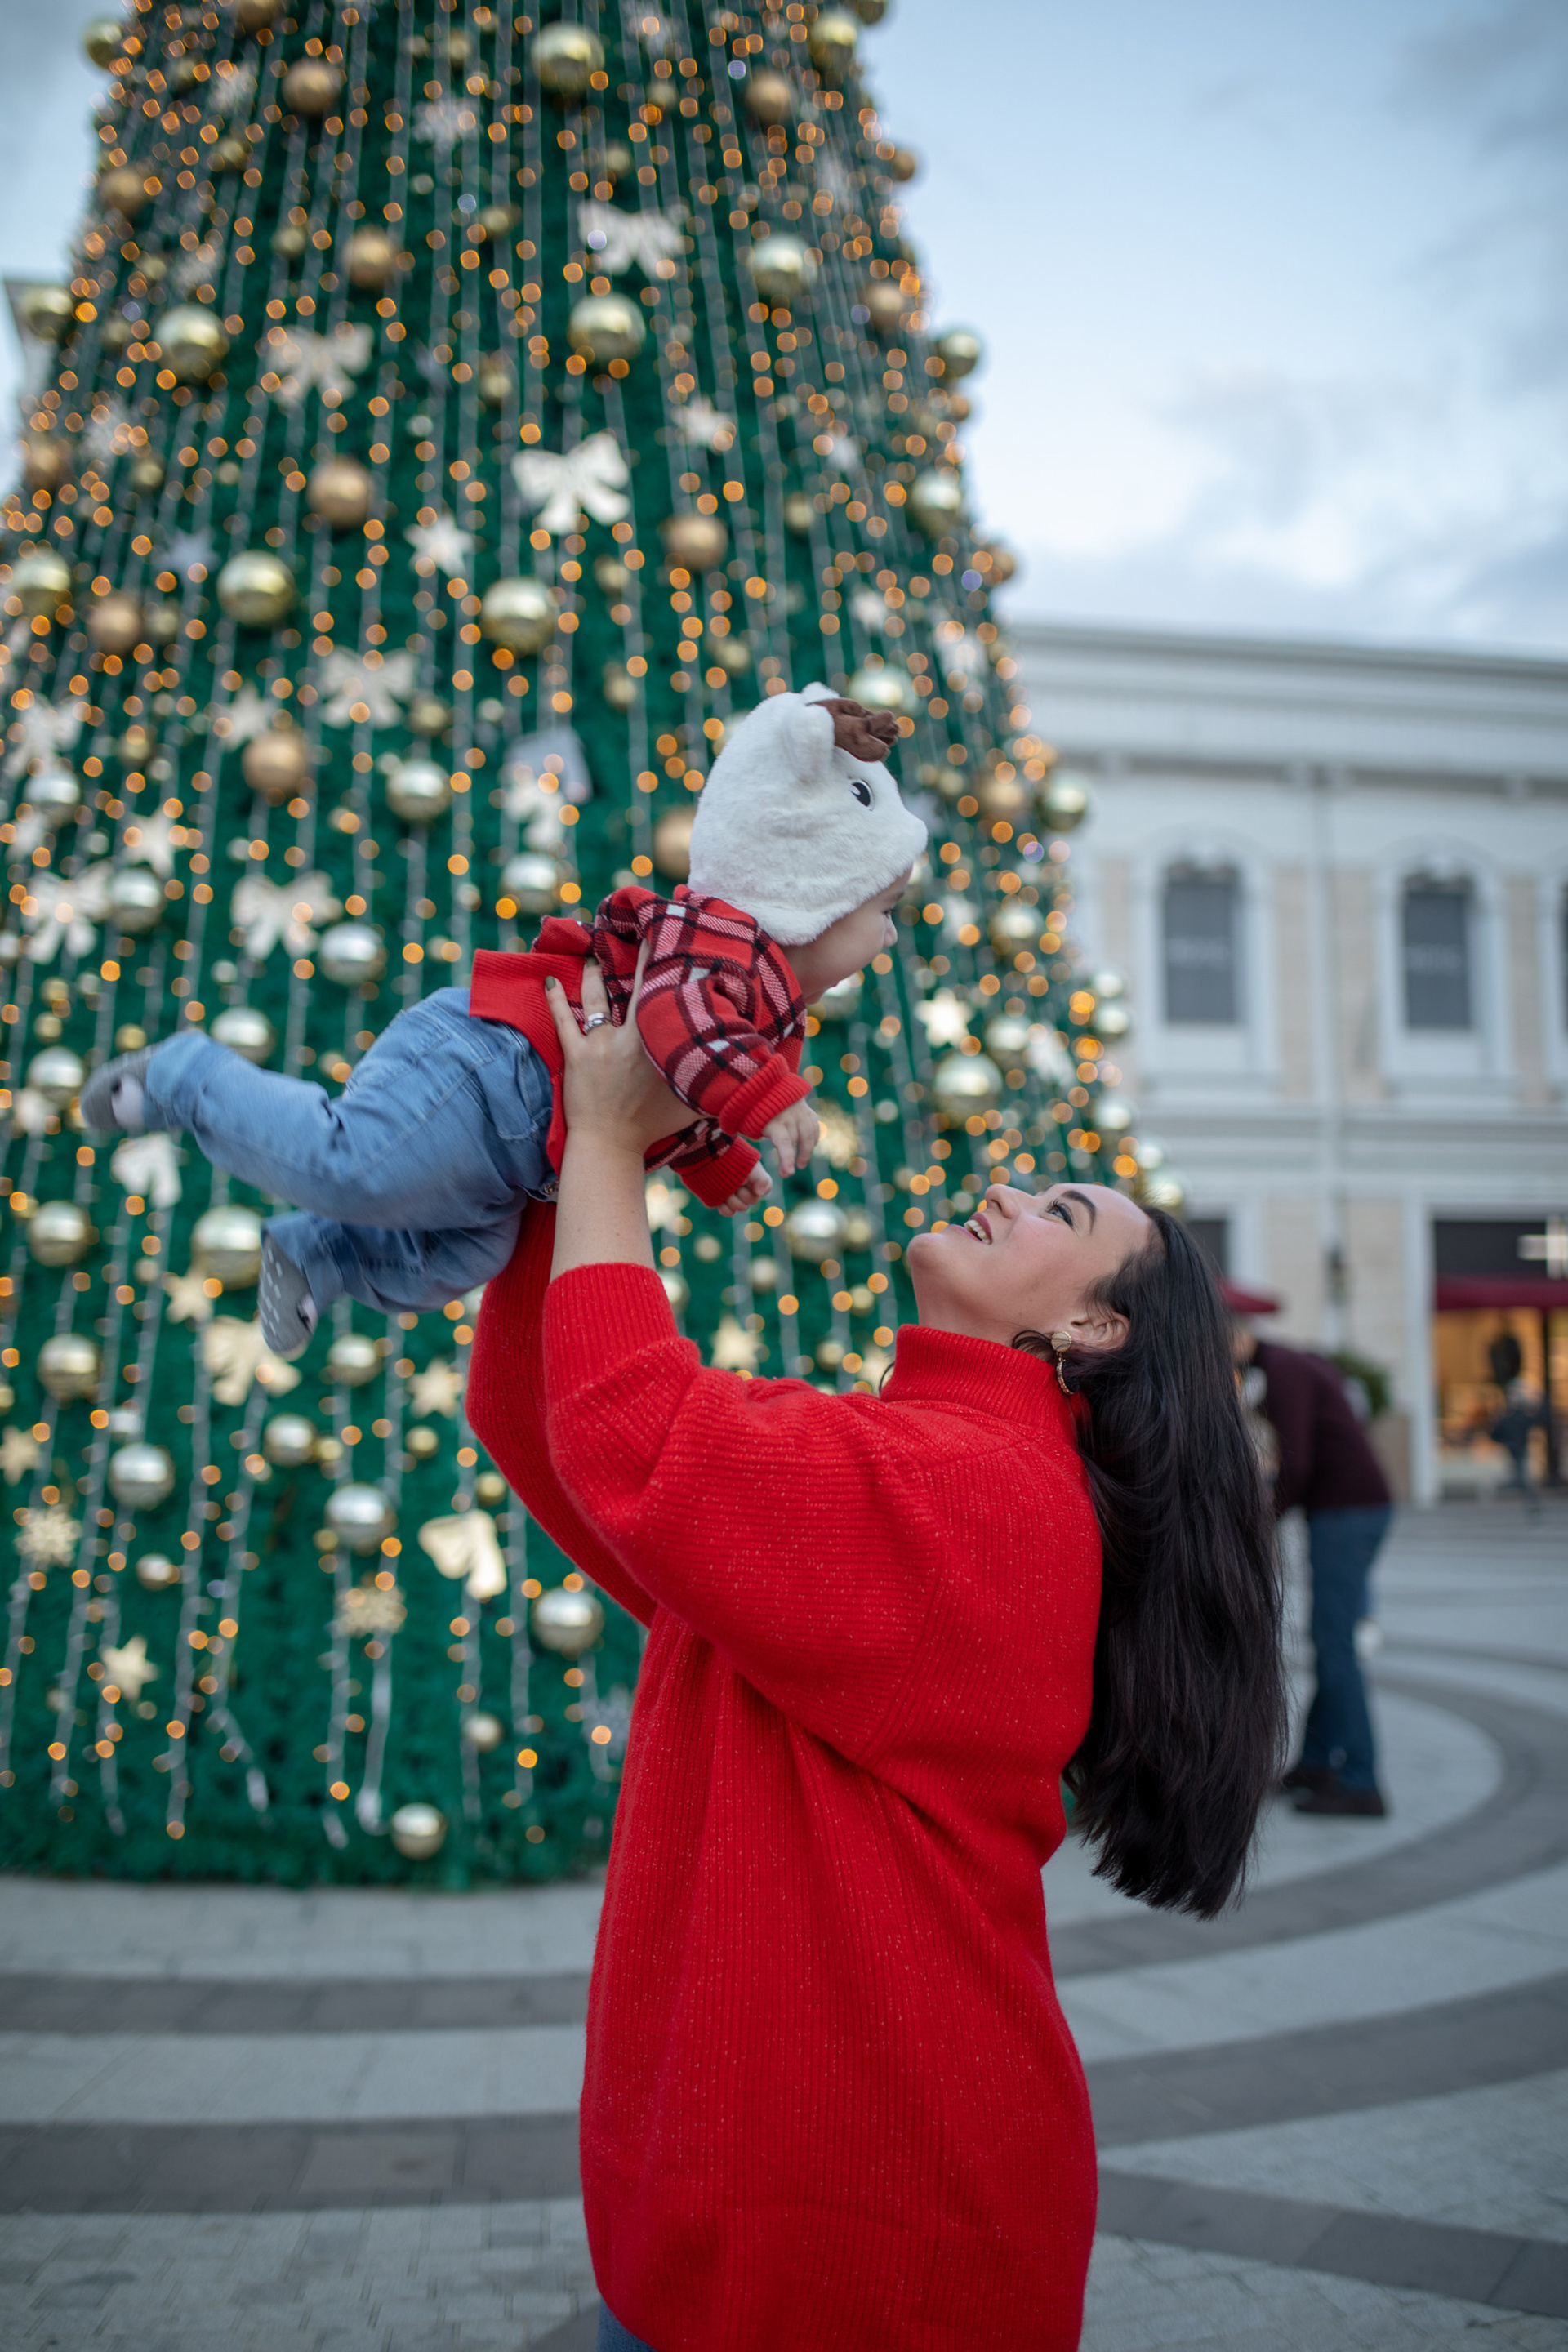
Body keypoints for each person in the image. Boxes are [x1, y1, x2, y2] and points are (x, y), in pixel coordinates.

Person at [464, 958, 1287, 2352]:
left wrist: (608, 1140)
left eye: (1062, 1211)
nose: (1015, 1189)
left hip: (865, 2240)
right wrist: (573, 1169)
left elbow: (628, 1432)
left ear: (1090, 1328)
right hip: (773, 2216)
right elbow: (551, 1430)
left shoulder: (983, 1494)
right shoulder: (922, 1457)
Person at [80, 687, 924, 1356]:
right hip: (489, 1071)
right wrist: (766, 1102)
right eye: (883, 907)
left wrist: (714, 1163)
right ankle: (185, 1078)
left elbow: (688, 1084)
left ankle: (320, 1253)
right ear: (813, 893)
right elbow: (680, 1025)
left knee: (469, 1254)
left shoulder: (771, 1010)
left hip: (520, 1151)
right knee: (355, 1164)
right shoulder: (722, 942)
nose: (889, 933)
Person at [1234, 1325, 1394, 1817]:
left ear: (1234, 1334)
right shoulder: (1287, 1365)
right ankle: (1318, 1762)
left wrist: (1262, 1525)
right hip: (1351, 1509)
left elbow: (1297, 1463)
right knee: (1330, 1639)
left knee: (1335, 1643)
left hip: (1346, 1511)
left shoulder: (1283, 1371)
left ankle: (1361, 1781)